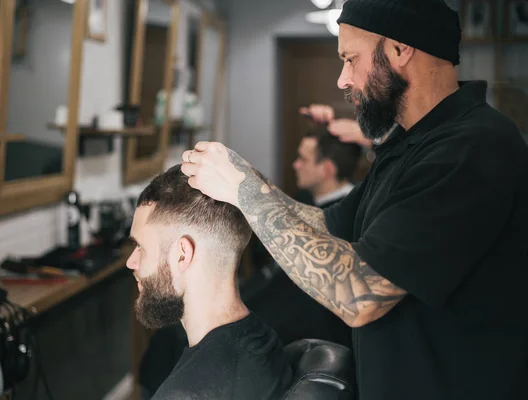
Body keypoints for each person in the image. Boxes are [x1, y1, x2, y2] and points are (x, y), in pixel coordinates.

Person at [180, 0, 528, 399]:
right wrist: (245, 186)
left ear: (400, 50)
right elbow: (326, 224)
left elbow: (360, 295)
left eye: (350, 59)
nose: (343, 79)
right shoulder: (408, 145)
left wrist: (247, 193)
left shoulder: (473, 148)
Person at [126, 165, 292, 400]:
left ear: (182, 255)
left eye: (140, 247)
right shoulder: (263, 340)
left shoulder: (184, 394)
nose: (131, 262)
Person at [293, 126, 362, 209]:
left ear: (327, 170)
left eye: (303, 159)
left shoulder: (352, 213)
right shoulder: (302, 198)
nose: (295, 165)